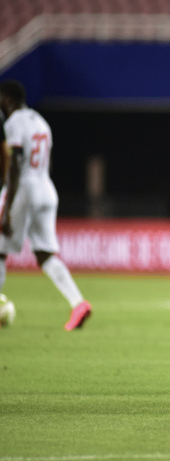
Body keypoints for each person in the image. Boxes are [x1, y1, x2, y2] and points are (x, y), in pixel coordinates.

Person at [0, 80, 92, 331]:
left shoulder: (13, 123)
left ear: (7, 99)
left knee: (0, 248)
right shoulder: (41, 121)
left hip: (25, 188)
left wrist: (8, 208)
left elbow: (16, 163)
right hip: (46, 188)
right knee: (45, 254)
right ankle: (78, 303)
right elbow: (48, 161)